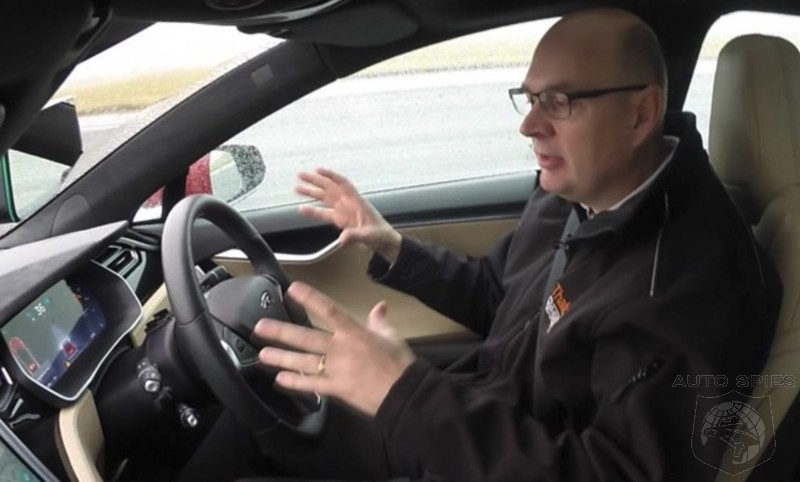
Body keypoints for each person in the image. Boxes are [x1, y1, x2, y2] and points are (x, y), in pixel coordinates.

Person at [252, 8, 780, 482]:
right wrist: (393, 248)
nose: (529, 125)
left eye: (559, 102)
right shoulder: (575, 192)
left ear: (641, 113)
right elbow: (496, 294)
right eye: (530, 99)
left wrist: (405, 395)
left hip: (475, 444)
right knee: (260, 415)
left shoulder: (687, 286)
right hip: (466, 425)